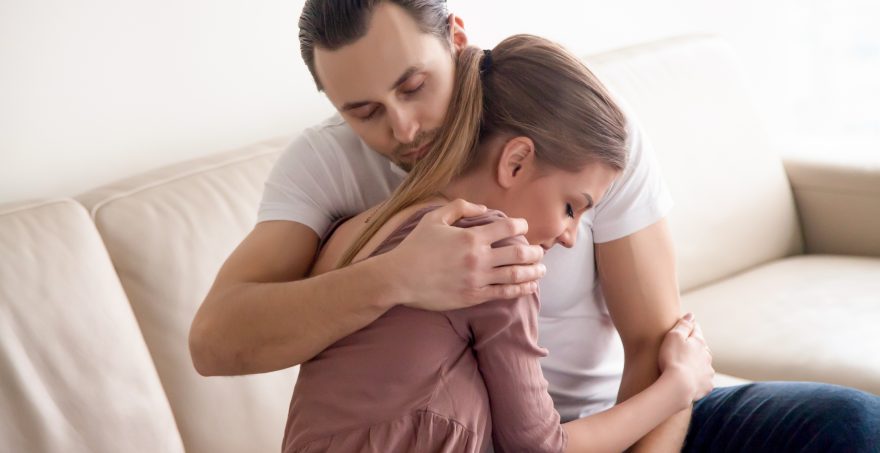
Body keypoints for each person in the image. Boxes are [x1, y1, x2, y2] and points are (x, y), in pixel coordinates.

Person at [190, 1, 880, 451]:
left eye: (412, 86)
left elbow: (656, 346)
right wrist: (397, 276)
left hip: (625, 421)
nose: (400, 128)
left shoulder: (581, 134)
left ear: (456, 39)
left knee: (848, 425)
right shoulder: (330, 171)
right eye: (362, 110)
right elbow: (216, 340)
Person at [281, 34, 716, 453]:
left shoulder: (351, 232)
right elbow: (539, 446)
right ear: (516, 160)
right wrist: (678, 385)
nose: (570, 237)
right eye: (571, 207)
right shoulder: (491, 254)